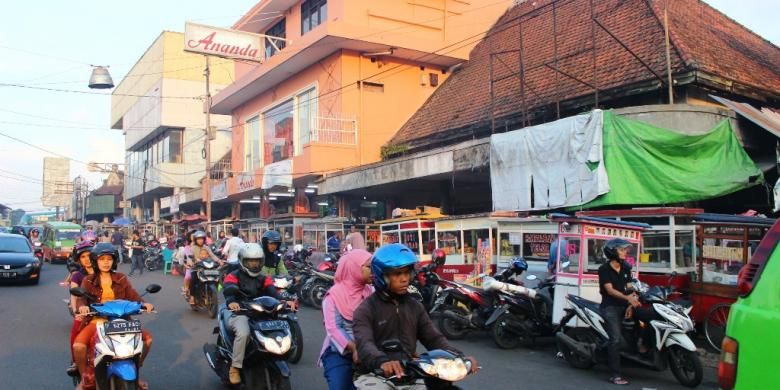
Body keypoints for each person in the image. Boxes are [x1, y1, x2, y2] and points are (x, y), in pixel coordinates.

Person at [352, 244, 478, 389]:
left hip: (409, 373)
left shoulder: (415, 306)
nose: (404, 279)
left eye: (407, 273)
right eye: (397, 274)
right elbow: (364, 344)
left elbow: (433, 338)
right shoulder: (366, 309)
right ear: (382, 276)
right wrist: (382, 361)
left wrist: (459, 357)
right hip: (374, 374)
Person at [72, 243, 154, 390]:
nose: (105, 262)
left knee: (147, 340)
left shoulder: (121, 278)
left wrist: (144, 304)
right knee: (78, 346)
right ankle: (85, 377)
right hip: (97, 321)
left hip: (121, 321)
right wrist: (82, 307)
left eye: (109, 259)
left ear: (114, 261)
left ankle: (136, 373)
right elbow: (81, 298)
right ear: (95, 261)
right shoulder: (88, 280)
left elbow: (132, 294)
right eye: (102, 259)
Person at [222, 243, 290, 385]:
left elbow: (272, 291)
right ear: (243, 261)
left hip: (260, 312)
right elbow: (229, 289)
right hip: (240, 311)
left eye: (257, 261)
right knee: (244, 332)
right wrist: (232, 302)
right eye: (250, 261)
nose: (254, 264)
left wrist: (284, 301)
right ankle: (235, 367)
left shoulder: (264, 277)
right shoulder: (233, 275)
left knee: (280, 326)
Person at [319, 249, 374, 390]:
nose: (373, 271)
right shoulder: (333, 296)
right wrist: (354, 347)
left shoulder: (372, 291)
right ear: (353, 268)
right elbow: (334, 328)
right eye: (369, 267)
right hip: (339, 352)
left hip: (370, 349)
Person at [598, 238, 641, 386]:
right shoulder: (604, 269)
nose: (625, 252)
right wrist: (627, 298)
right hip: (610, 307)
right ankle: (615, 375)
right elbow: (609, 290)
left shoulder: (626, 267)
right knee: (615, 340)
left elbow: (629, 288)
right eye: (622, 250)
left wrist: (631, 303)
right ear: (612, 252)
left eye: (625, 250)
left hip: (624, 306)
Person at [66, 241, 95, 374]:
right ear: (79, 260)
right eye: (83, 257)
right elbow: (74, 295)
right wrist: (76, 310)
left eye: (89, 255)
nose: (87, 259)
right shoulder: (77, 275)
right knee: (76, 332)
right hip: (85, 311)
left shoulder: (105, 272)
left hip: (106, 311)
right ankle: (75, 361)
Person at [185, 230, 222, 304]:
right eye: (198, 239)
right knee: (193, 280)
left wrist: (219, 261)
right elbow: (189, 257)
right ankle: (192, 297)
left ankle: (213, 293)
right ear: (195, 240)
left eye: (202, 239)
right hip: (196, 268)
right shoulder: (193, 248)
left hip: (206, 267)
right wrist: (190, 263)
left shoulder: (206, 247)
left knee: (216, 276)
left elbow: (212, 255)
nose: (200, 240)